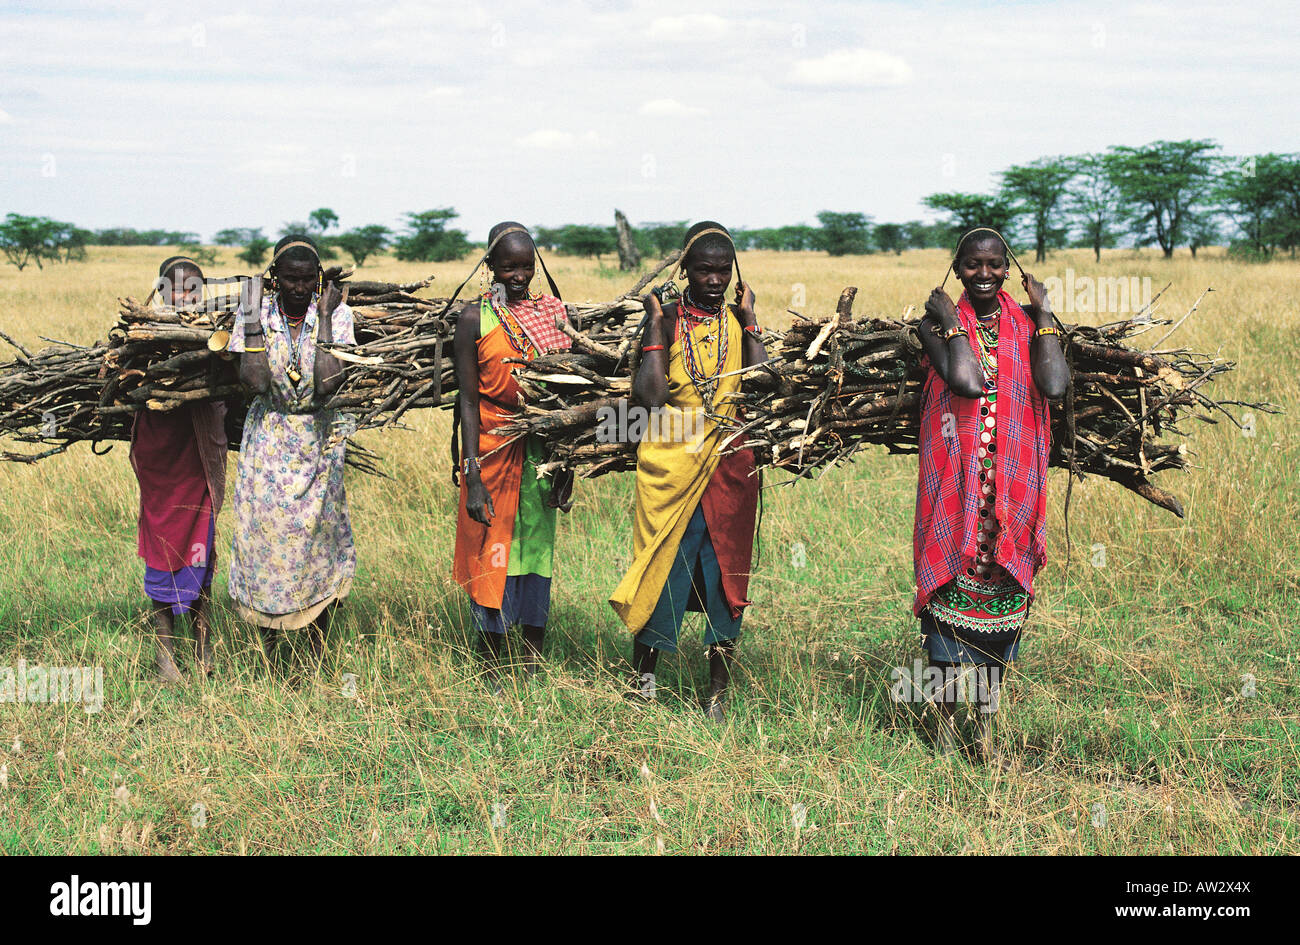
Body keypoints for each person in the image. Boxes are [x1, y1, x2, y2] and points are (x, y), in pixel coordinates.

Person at [913, 226, 1068, 757]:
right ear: (957, 270)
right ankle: (944, 729)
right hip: (958, 497)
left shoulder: (1028, 325)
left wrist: (1044, 313)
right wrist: (953, 323)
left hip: (1011, 498)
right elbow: (967, 382)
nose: (984, 274)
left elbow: (1053, 387)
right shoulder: (934, 326)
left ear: (1008, 268)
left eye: (994, 264)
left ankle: (982, 730)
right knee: (948, 614)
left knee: (1001, 619)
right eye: (973, 265)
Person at [610, 222, 768, 722]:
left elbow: (762, 383)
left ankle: (716, 695)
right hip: (671, 471)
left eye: (723, 271)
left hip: (729, 470)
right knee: (664, 573)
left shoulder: (736, 325)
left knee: (725, 580)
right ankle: (644, 684)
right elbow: (650, 399)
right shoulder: (669, 320)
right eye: (704, 270)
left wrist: (751, 320)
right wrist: (656, 326)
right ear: (685, 270)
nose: (715, 280)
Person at [453, 222, 574, 693]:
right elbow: (465, 398)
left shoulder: (554, 313)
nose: (519, 275)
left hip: (542, 448)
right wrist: (472, 474)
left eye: (526, 265)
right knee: (493, 552)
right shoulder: (474, 318)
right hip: (491, 444)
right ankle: (490, 665)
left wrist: (567, 465)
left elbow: (569, 396)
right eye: (509, 266)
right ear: (491, 267)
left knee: (536, 554)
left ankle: (531, 659)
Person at [227, 235, 355, 670]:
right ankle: (270, 651)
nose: (299, 287)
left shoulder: (337, 315)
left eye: (307, 280)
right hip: (269, 440)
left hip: (320, 440)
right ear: (274, 279)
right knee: (267, 541)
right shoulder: (255, 315)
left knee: (318, 542)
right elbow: (257, 383)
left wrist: (322, 315)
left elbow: (326, 383)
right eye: (290, 279)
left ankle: (317, 651)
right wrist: (248, 320)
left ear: (318, 280)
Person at [130, 256, 228, 682]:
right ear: (162, 288)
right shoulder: (143, 331)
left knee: (200, 547)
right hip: (161, 456)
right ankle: (165, 655)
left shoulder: (215, 331)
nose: (186, 295)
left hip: (199, 453)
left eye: (194, 288)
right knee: (162, 545)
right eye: (178, 287)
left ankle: (203, 649)